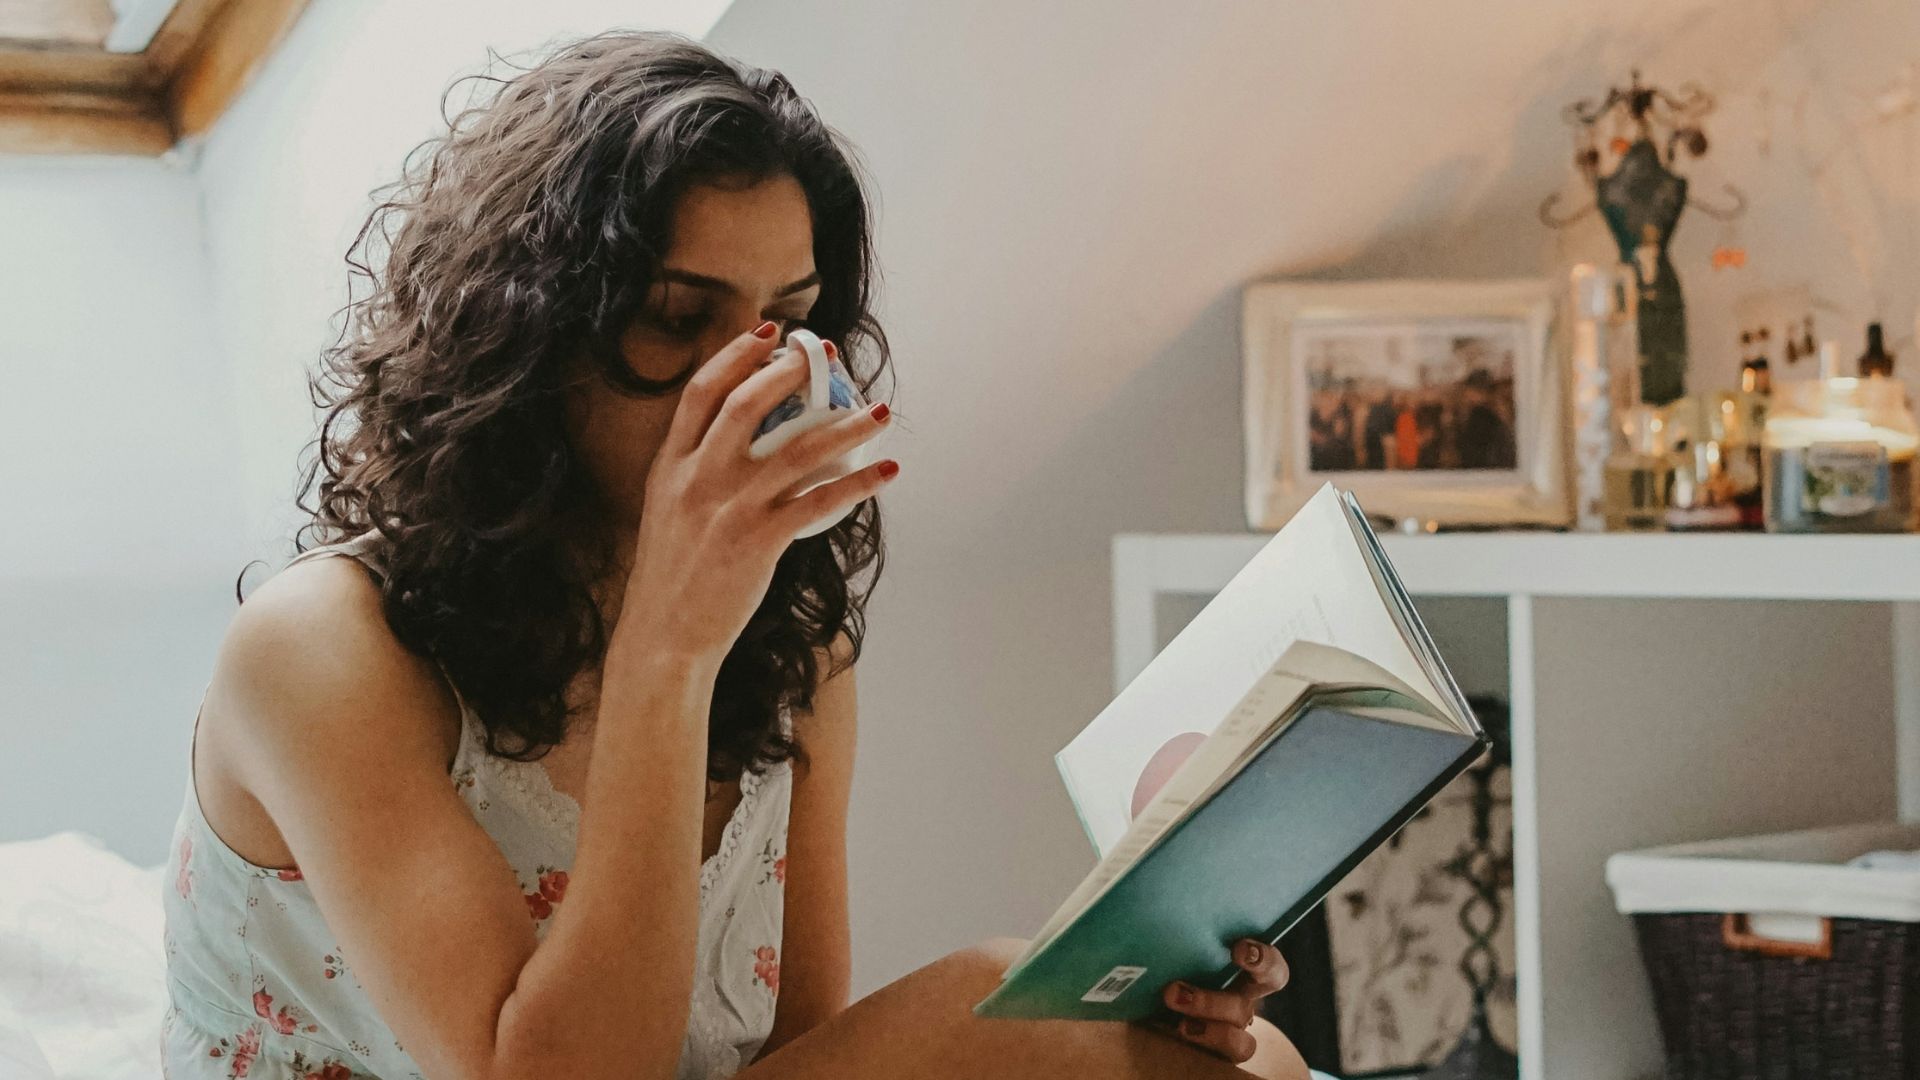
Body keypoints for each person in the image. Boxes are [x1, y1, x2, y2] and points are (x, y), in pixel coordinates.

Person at [158, 29, 1311, 1080]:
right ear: (525, 336)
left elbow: (800, 1055)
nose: (756, 380)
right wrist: (668, 650)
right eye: (676, 315)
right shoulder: (320, 652)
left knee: (1236, 1062)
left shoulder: (798, 641)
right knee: (999, 1005)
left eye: (789, 321)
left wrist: (1147, 1012)